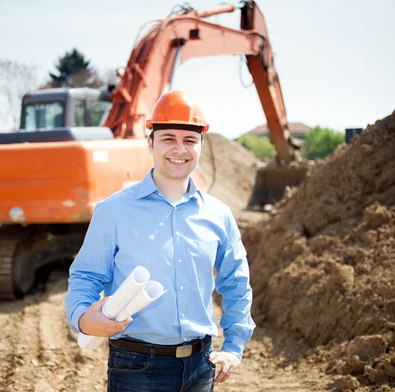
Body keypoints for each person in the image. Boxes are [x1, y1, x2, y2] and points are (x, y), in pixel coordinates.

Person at [65, 90, 255, 391]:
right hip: (136, 368)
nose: (179, 149)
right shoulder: (113, 211)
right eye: (168, 138)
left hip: (200, 367)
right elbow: (86, 275)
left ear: (201, 146)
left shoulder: (219, 215)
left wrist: (234, 346)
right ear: (150, 143)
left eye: (190, 140)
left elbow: (236, 282)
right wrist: (82, 318)